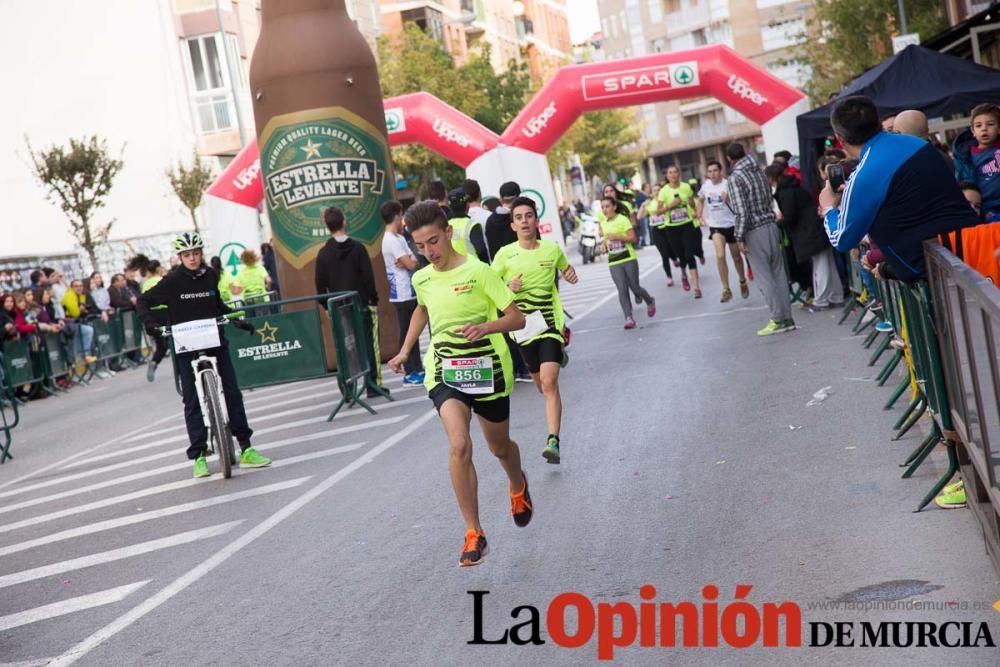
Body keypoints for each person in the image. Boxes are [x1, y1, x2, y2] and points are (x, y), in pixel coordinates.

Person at [387, 201, 531, 567]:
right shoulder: (422, 276)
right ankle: (474, 533)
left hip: (488, 368)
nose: (428, 252)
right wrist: (406, 350)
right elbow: (422, 307)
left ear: (448, 233)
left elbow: (516, 318)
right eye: (420, 246)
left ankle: (517, 483)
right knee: (459, 443)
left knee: (499, 447)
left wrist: (486, 326)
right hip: (446, 370)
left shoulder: (480, 272)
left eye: (433, 241)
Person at [138, 233, 270, 477]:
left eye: (196, 253)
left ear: (201, 253)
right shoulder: (172, 281)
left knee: (232, 392)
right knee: (191, 399)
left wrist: (237, 320)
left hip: (214, 339)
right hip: (186, 344)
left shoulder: (211, 275)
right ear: (180, 257)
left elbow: (217, 305)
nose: (192, 258)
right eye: (187, 254)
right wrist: (150, 324)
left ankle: (246, 448)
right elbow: (142, 302)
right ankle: (198, 456)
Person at [820, 95, 978, 283]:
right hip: (972, 246)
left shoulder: (864, 176)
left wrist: (829, 208)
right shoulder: (917, 144)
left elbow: (843, 239)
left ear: (839, 138)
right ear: (878, 122)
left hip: (934, 274)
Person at [491, 196, 578, 464]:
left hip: (549, 324)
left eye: (529, 215)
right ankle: (553, 359)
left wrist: (570, 274)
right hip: (523, 329)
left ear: (536, 220)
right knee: (541, 385)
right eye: (519, 217)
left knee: (550, 383)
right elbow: (491, 290)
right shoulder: (505, 254)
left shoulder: (551, 250)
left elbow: (567, 269)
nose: (525, 221)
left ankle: (553, 440)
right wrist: (508, 288)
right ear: (513, 224)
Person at [314, 206, 387, 398]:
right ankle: (372, 384)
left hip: (338, 307)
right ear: (343, 222)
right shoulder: (358, 248)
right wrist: (373, 298)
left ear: (326, 226)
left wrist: (325, 305)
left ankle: (347, 390)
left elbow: (319, 285)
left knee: (345, 347)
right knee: (369, 344)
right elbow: (368, 277)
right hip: (361, 303)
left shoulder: (323, 254)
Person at [726, 142, 796, 336]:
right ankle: (787, 317)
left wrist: (739, 236)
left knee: (764, 277)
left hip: (753, 230)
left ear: (729, 159)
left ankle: (777, 318)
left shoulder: (735, 178)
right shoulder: (759, 172)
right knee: (779, 273)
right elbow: (769, 198)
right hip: (770, 224)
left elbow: (741, 212)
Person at [765, 163, 844, 311]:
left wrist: (777, 224)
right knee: (828, 263)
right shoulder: (795, 187)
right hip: (817, 228)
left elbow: (790, 216)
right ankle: (836, 296)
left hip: (808, 232)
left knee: (819, 266)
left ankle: (821, 300)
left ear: (771, 178)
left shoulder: (785, 192)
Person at [380, 200, 424, 386]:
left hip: (409, 290)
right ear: (397, 216)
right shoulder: (390, 240)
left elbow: (413, 258)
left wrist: (411, 260)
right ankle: (410, 371)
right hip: (402, 292)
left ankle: (417, 368)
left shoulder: (398, 238)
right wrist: (411, 261)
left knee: (411, 330)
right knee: (407, 331)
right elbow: (412, 263)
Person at [600, 196, 655, 329]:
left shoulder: (622, 219)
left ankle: (649, 300)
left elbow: (633, 238)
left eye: (607, 206)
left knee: (635, 287)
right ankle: (628, 318)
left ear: (614, 207)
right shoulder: (603, 223)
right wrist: (603, 246)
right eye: (602, 207)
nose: (604, 210)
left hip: (628, 258)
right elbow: (606, 239)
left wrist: (618, 237)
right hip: (613, 261)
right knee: (622, 289)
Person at [697, 160, 748, 302]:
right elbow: (700, 199)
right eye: (710, 171)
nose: (712, 174)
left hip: (731, 224)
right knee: (720, 256)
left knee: (736, 257)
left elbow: (739, 202)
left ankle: (742, 280)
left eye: (715, 171)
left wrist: (729, 199)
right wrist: (699, 214)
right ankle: (725, 289)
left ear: (720, 172)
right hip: (715, 225)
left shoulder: (728, 184)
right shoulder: (705, 186)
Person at [656, 166, 703, 298]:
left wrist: (691, 203)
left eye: (675, 172)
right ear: (667, 176)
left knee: (690, 254)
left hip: (687, 224)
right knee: (681, 255)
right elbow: (658, 211)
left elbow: (693, 205)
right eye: (670, 173)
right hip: (672, 227)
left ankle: (697, 288)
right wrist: (670, 205)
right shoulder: (664, 191)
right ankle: (683, 273)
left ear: (679, 174)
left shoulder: (686, 187)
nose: (673, 175)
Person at [952, 102, 1000, 223]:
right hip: (985, 209)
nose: (984, 128)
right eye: (978, 125)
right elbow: (964, 184)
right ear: (973, 131)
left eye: (990, 124)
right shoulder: (965, 156)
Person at [638, 181, 676, 287]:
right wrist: (642, 206)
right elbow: (639, 217)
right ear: (652, 192)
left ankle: (674, 258)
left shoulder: (666, 200)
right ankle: (669, 276)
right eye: (654, 190)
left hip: (668, 228)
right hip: (656, 230)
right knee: (664, 254)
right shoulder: (649, 203)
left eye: (658, 190)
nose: (656, 192)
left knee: (672, 248)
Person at [447, 188, 491, 263]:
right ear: (467, 204)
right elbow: (481, 251)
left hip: (454, 270)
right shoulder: (472, 225)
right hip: (474, 270)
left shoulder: (446, 226)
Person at [61, 279, 98, 362]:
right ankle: (81, 357)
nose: (79, 288)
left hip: (75, 323)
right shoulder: (69, 296)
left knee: (88, 330)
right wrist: (81, 310)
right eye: (76, 286)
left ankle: (85, 355)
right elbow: (75, 313)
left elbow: (84, 310)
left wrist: (83, 310)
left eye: (81, 286)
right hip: (66, 324)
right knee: (87, 331)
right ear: (71, 288)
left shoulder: (81, 295)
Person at [485, 181, 522, 258]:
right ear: (518, 198)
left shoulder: (490, 221)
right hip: (523, 264)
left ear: (500, 199)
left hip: (500, 267)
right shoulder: (523, 218)